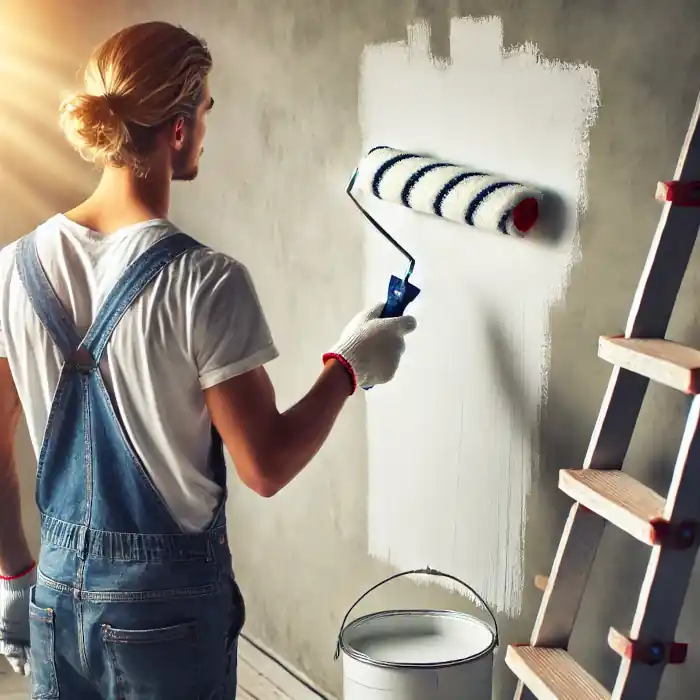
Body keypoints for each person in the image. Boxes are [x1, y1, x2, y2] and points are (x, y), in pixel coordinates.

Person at [0, 21, 416, 699]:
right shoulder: (205, 281)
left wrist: (14, 578)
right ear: (180, 126)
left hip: (53, 600)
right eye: (208, 110)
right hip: (164, 619)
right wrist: (349, 367)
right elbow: (267, 464)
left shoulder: (12, 268)